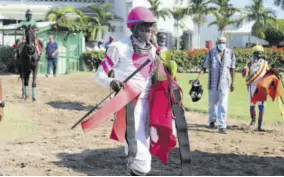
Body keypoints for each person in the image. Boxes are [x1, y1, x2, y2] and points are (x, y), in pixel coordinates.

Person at [87, 6, 191, 176]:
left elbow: (158, 77)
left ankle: (132, 168)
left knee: (154, 139)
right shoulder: (118, 47)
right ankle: (136, 168)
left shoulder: (153, 50)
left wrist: (167, 71)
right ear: (133, 27)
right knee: (141, 156)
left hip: (151, 104)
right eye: (144, 26)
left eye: (150, 26)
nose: (148, 29)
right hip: (129, 104)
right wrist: (112, 81)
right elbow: (99, 74)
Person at [196, 36, 236, 134]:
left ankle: (222, 125)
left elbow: (232, 68)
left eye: (223, 42)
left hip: (225, 82)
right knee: (212, 103)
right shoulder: (210, 53)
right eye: (220, 42)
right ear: (216, 43)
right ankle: (212, 120)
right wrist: (198, 79)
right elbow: (204, 67)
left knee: (223, 103)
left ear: (225, 43)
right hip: (213, 82)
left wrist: (233, 81)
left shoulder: (230, 53)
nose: (222, 44)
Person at [242, 45, 269, 131]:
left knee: (260, 105)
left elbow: (268, 73)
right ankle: (253, 121)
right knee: (252, 104)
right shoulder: (250, 63)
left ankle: (259, 124)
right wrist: (245, 68)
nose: (257, 55)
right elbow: (244, 74)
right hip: (252, 85)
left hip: (260, 86)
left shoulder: (265, 63)